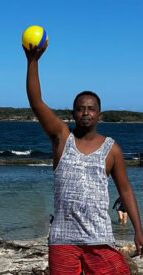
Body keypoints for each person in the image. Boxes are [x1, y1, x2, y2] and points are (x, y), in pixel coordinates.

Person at [22, 42, 143, 274]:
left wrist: (138, 230)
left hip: (99, 237)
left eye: (91, 108)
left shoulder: (112, 149)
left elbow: (125, 190)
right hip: (63, 239)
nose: (85, 112)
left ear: (99, 114)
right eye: (80, 108)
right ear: (73, 113)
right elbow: (36, 102)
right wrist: (32, 62)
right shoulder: (62, 138)